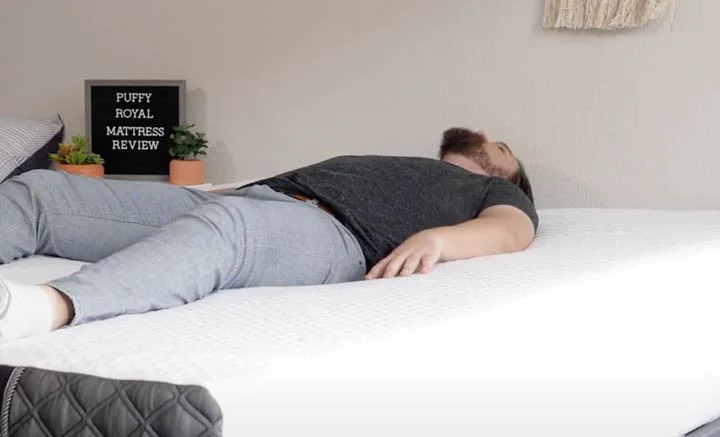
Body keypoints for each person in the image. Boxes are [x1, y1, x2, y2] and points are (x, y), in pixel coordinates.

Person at [0, 128, 538, 342]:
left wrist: (439, 241)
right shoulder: (404, 164)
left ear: (508, 171)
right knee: (44, 192)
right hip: (246, 198)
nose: (486, 135)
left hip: (330, 233)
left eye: (500, 144)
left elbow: (511, 231)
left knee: (228, 230)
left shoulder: (491, 192)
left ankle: (41, 308)